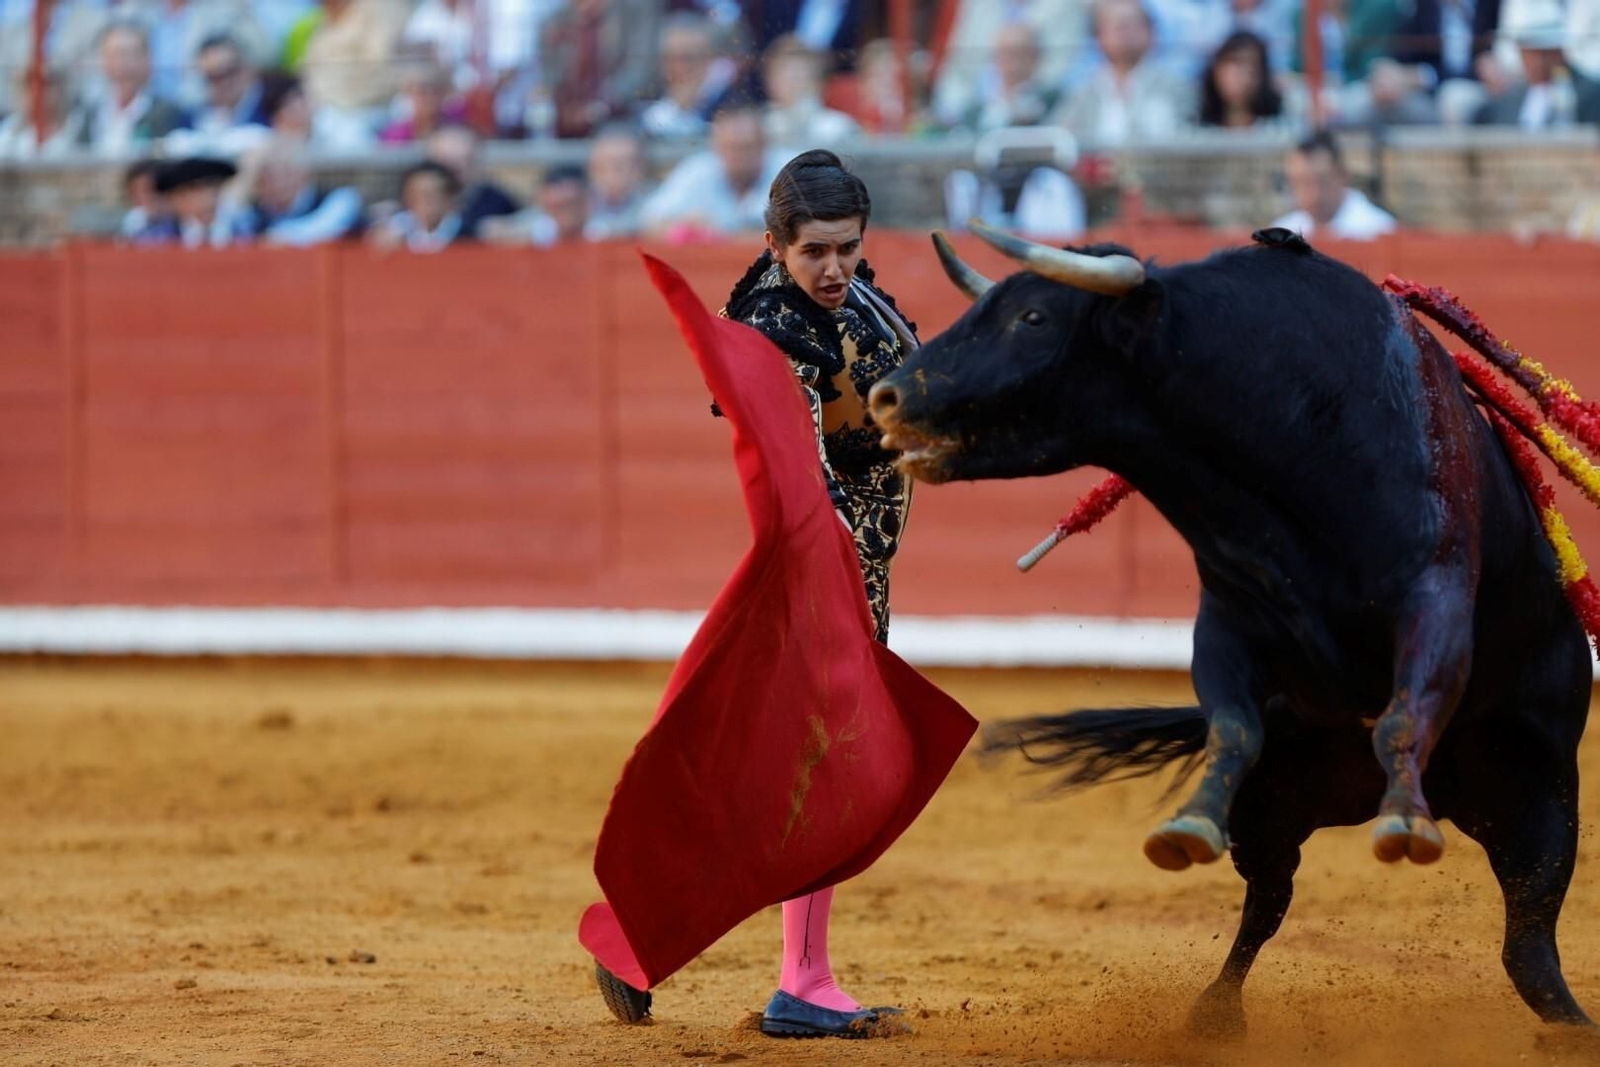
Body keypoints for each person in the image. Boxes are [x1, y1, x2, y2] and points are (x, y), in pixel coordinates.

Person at [593, 147, 918, 1041]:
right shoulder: (774, 324)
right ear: (774, 245)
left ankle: (646, 929)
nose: (835, 267)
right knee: (817, 764)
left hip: (857, 568)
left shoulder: (855, 297)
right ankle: (797, 978)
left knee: (788, 762)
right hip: (820, 578)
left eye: (848, 247)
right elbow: (800, 464)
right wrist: (836, 570)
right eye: (815, 251)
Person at [1052, 0, 1193, 144]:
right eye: (1120, 26)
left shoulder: (1176, 87)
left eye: (1135, 24)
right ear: (1099, 36)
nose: (1128, 33)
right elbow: (1060, 138)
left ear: (1151, 32)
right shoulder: (1082, 91)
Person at [638, 101, 785, 239]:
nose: (740, 156)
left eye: (747, 147)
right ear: (716, 146)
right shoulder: (697, 170)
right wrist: (686, 227)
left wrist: (724, 235)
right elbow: (650, 223)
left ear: (764, 144)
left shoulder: (787, 171)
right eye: (731, 148)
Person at [70, 20, 190, 156]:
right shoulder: (90, 113)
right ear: (104, 62)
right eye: (116, 55)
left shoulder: (167, 113)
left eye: (131, 54)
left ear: (148, 60)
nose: (123, 63)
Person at [1268, 130, 1397, 240]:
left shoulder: (1381, 229)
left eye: (1322, 182)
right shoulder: (1282, 233)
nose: (1314, 195)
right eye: (1301, 183)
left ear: (1342, 176)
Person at [637, 11, 740, 140]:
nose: (678, 66)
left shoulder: (732, 99)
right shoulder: (648, 94)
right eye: (669, 58)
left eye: (688, 58)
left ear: (709, 58)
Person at [244, 138, 364, 245]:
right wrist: (247, 177)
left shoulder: (341, 198)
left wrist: (279, 236)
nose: (279, 181)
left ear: (304, 173)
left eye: (286, 172)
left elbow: (320, 231)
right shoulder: (258, 212)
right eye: (270, 174)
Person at [759, 34, 860, 146]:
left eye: (799, 76)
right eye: (784, 75)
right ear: (769, 81)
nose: (793, 84)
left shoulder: (839, 128)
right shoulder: (757, 128)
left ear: (819, 82)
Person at [424, 124, 521, 238]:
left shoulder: (499, 203)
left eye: (464, 161)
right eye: (445, 163)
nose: (453, 170)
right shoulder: (414, 203)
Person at [153, 155, 253, 247]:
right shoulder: (162, 234)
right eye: (179, 194)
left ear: (217, 188)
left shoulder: (251, 225)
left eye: (196, 189)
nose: (187, 200)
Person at [369, 160, 465, 252]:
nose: (422, 202)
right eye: (414, 195)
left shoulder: (464, 232)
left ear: (448, 198)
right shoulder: (398, 227)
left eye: (429, 195)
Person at [1197, 30, 1284, 127]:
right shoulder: (1194, 127)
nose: (1243, 76)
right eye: (1235, 63)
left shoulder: (1278, 128)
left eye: (1252, 67)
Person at [584, 124, 650, 239]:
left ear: (640, 168)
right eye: (610, 162)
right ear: (593, 167)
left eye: (626, 162)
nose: (616, 171)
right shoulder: (574, 208)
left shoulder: (656, 208)